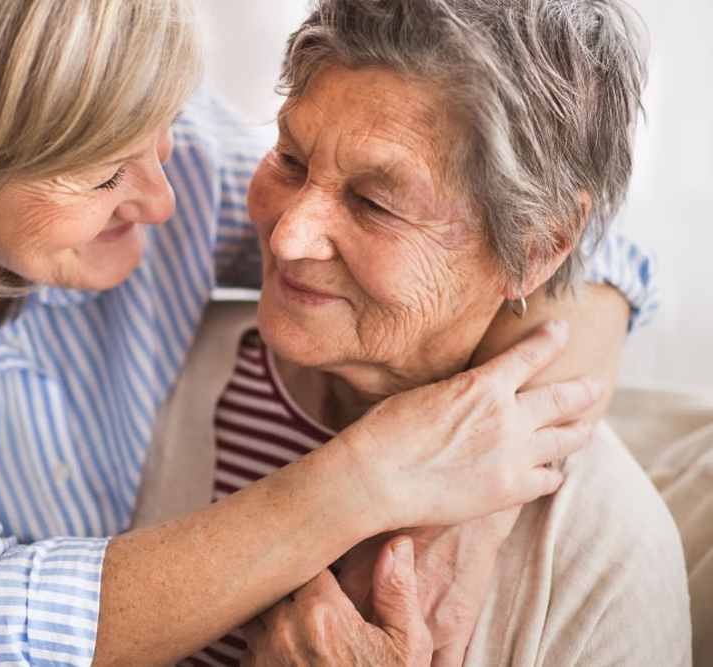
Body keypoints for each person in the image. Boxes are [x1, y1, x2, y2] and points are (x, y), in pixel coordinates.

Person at [0, 1, 654, 665]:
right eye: (100, 176)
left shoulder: (139, 145)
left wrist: (470, 502)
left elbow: (558, 237)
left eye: (159, 130)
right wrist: (377, 477)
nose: (168, 200)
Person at [129, 1, 690, 665]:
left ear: (538, 248)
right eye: (290, 157)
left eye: (374, 203)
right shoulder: (162, 376)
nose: (288, 236)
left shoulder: (607, 552)